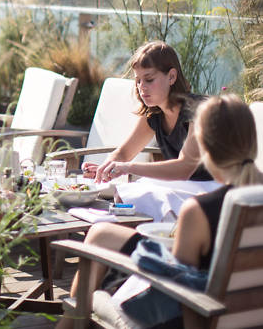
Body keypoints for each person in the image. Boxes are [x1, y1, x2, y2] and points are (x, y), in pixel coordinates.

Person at [58, 94, 263, 328]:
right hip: (247, 313)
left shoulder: (199, 212)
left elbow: (175, 288)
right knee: (101, 233)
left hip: (193, 317)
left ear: (204, 148)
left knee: (90, 289)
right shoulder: (246, 200)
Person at [83, 41, 212, 184]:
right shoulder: (154, 115)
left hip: (217, 188)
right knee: (124, 195)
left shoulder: (199, 110)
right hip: (185, 185)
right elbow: (124, 153)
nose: (141, 86)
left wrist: (127, 168)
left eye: (149, 79)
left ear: (171, 77)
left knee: (130, 196)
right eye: (138, 80)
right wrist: (105, 168)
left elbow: (184, 168)